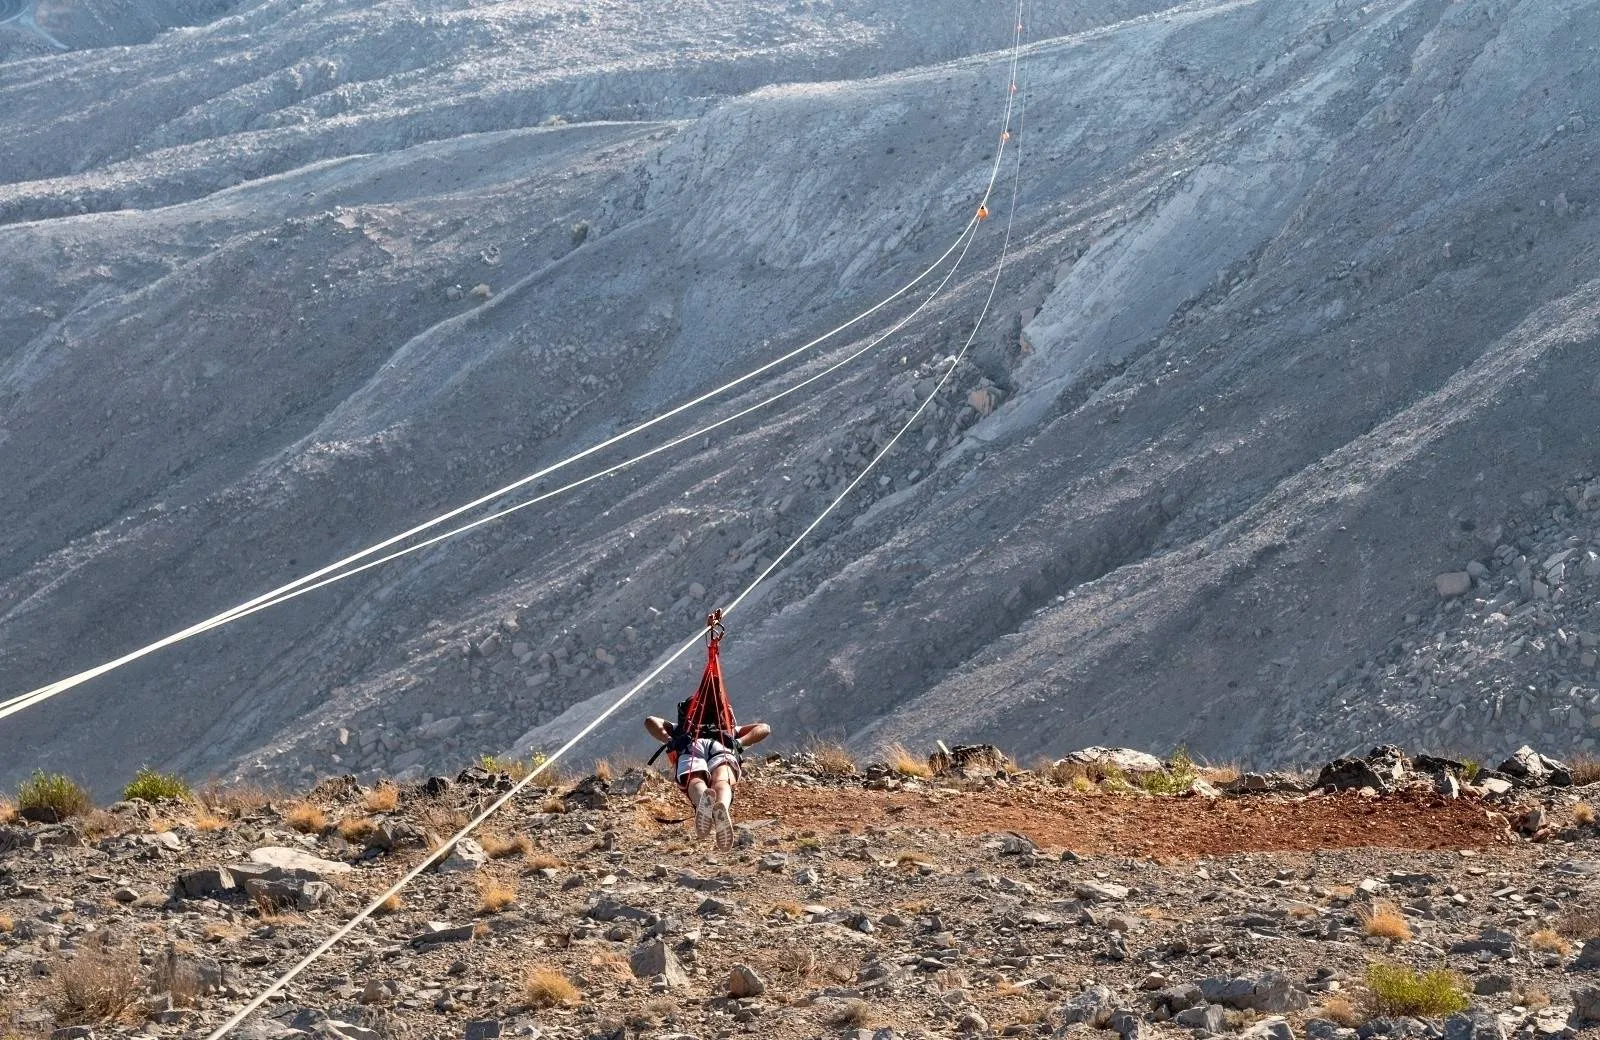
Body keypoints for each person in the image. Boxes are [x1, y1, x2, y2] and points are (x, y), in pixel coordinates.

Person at [645, 708, 770, 851]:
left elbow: (650, 721)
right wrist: (739, 742)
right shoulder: (729, 730)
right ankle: (722, 807)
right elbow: (765, 728)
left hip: (690, 746)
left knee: (695, 780)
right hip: (722, 746)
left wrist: (671, 740)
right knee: (721, 781)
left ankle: (702, 801)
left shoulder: (683, 729)